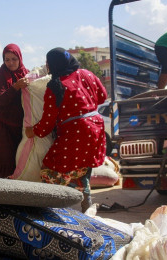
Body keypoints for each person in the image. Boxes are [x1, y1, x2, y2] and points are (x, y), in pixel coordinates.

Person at [25, 47, 107, 213]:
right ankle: (86, 205)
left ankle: (54, 211)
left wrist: (33, 131)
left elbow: (47, 122)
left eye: (48, 64)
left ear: (53, 65)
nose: (47, 67)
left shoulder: (55, 86)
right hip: (97, 129)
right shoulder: (87, 74)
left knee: (51, 171)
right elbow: (102, 96)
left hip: (77, 132)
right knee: (82, 168)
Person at [0, 43, 29, 178]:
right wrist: (15, 87)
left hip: (20, 125)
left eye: (14, 59)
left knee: (19, 157)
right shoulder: (0, 74)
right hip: (2, 125)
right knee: (2, 158)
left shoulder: (26, 73)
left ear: (20, 58)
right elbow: (0, 100)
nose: (10, 63)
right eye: (7, 59)